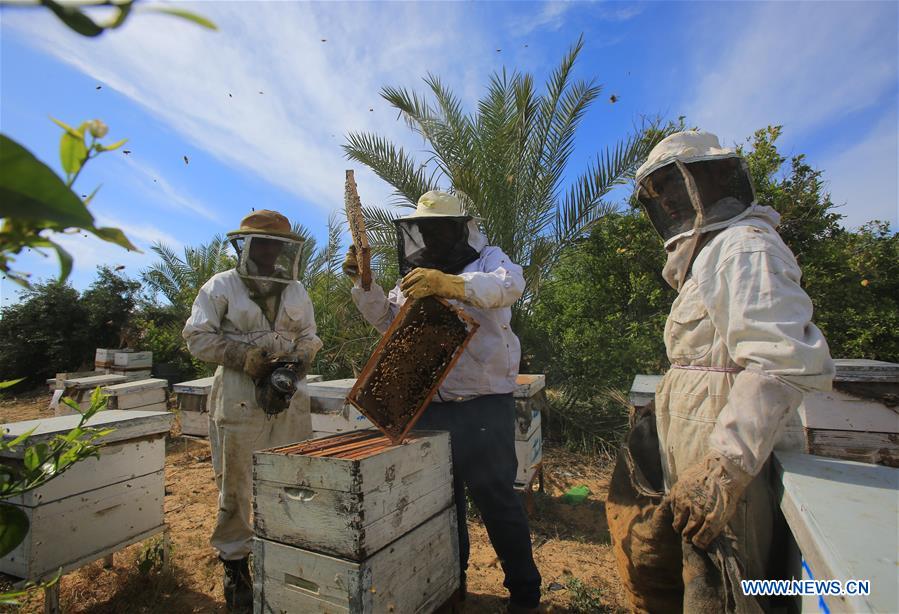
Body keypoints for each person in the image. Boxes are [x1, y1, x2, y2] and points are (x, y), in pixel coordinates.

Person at [612, 131, 834, 612]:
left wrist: (723, 470)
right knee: (702, 583)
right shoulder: (713, 253)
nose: (668, 199)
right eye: (659, 190)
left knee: (732, 590)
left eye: (675, 182)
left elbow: (781, 361)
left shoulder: (744, 248)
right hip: (705, 448)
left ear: (714, 177)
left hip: (728, 460)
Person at [343, 191, 542, 612]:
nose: (430, 239)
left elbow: (511, 285)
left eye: (438, 230)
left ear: (458, 229)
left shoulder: (489, 258)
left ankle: (525, 594)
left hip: (485, 403)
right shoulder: (413, 277)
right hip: (430, 406)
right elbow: (387, 321)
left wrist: (451, 284)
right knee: (442, 501)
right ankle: (454, 583)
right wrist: (365, 284)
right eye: (423, 231)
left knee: (497, 499)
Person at [183, 210, 322, 612]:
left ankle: (285, 549)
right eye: (260, 241)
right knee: (237, 481)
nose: (268, 249)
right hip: (240, 393)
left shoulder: (296, 290)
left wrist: (299, 359)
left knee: (293, 474)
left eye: (275, 242)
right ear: (246, 245)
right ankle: (235, 562)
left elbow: (311, 335)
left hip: (290, 392)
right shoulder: (222, 285)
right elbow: (196, 337)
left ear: (285, 248)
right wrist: (243, 356)